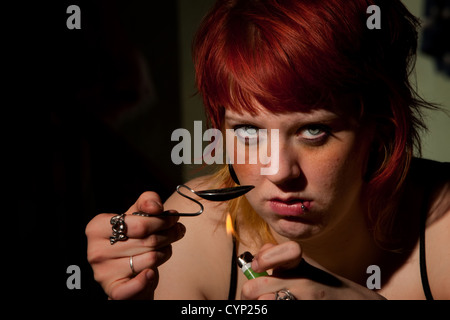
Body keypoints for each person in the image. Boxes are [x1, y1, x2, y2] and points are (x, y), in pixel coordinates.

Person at [85, 0, 450, 300]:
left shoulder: (442, 226)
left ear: (381, 129)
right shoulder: (192, 235)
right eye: (248, 131)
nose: (279, 172)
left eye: (313, 130)